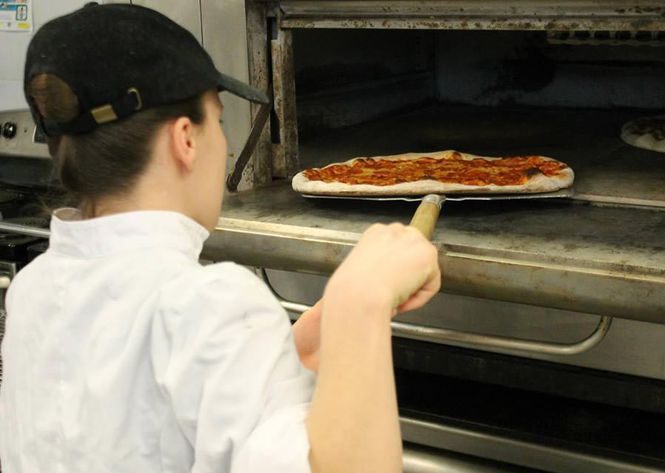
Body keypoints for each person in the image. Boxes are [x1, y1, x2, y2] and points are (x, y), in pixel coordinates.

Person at [0, 4, 441, 473]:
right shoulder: (210, 304)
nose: (225, 145)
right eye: (220, 120)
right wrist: (361, 301)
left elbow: (131, 418)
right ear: (185, 139)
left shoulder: (34, 288)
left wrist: (275, 355)